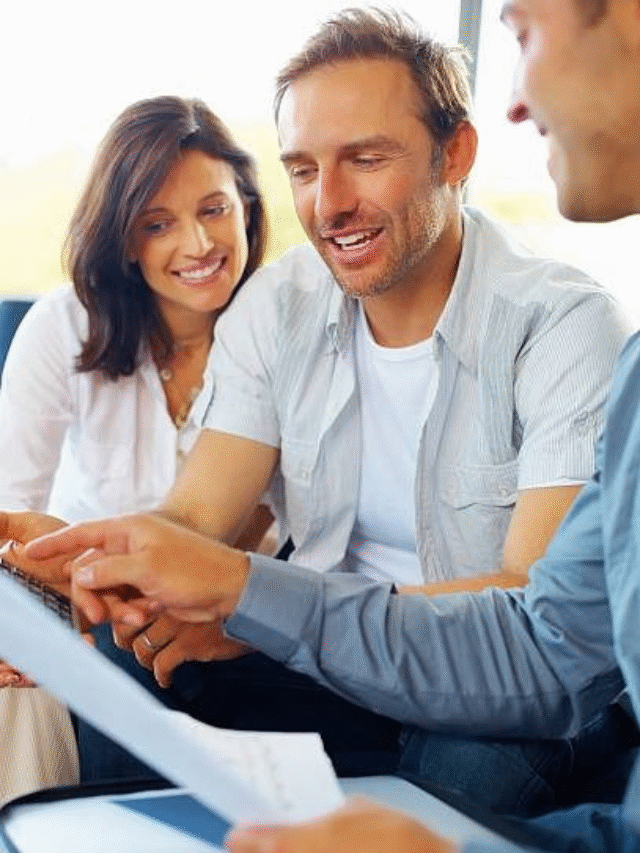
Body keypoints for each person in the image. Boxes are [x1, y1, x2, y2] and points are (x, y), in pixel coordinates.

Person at [26, 0, 640, 849]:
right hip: (313, 654)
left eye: (365, 159)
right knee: (132, 658)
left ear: (454, 154)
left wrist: (254, 609)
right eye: (304, 170)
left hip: (489, 689)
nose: (330, 204)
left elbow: (532, 623)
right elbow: (195, 520)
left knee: (459, 766)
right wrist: (93, 555)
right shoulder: (280, 305)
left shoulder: (564, 326)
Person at [0, 94, 270, 805]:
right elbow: (8, 510)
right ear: (125, 239)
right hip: (89, 603)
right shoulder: (64, 326)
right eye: (159, 224)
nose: (199, 244)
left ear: (246, 204)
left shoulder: (285, 329)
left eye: (214, 209)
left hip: (244, 619)